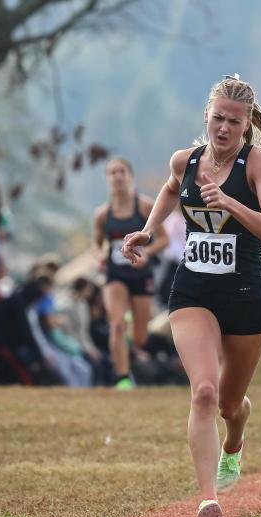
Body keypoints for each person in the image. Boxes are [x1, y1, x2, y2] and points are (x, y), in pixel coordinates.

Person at [121, 75, 261, 517]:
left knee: (231, 404)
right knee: (204, 393)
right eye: (217, 119)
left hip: (245, 295)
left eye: (234, 122)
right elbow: (173, 188)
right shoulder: (186, 160)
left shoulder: (258, 165)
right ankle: (208, 499)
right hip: (193, 291)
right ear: (206, 117)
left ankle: (236, 437)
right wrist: (149, 230)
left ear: (247, 124)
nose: (223, 129)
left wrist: (231, 204)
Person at [93, 158, 169, 389]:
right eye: (112, 173)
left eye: (121, 172)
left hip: (141, 274)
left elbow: (165, 239)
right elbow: (97, 244)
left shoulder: (145, 206)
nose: (117, 177)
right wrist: (100, 255)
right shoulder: (103, 215)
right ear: (108, 179)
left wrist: (147, 252)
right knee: (115, 324)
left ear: (130, 176)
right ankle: (122, 377)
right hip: (115, 274)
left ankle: (130, 324)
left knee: (140, 337)